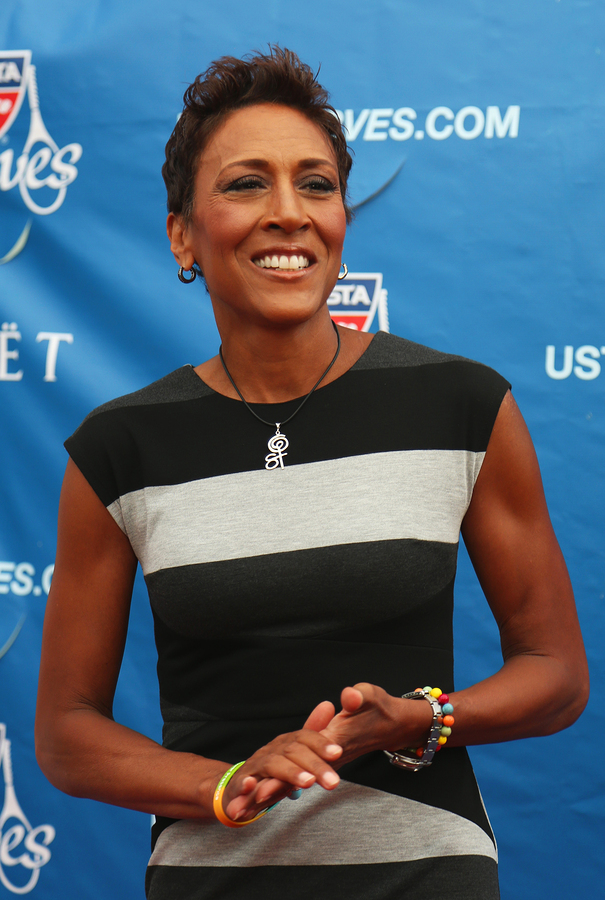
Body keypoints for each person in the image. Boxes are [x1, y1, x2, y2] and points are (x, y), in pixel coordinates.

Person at [35, 47, 588, 900]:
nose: (289, 213)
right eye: (246, 184)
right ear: (183, 234)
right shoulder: (118, 447)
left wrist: (421, 719)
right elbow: (67, 735)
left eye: (317, 185)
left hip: (427, 876)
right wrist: (223, 784)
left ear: (340, 221)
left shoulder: (462, 404)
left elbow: (555, 674)